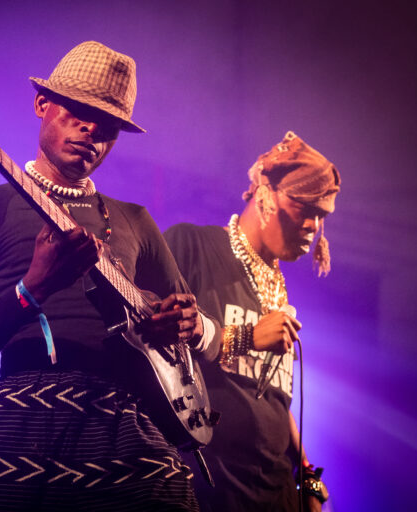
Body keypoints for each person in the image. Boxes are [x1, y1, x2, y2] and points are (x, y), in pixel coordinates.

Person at [0, 41, 220, 511]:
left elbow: (191, 334)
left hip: (134, 437)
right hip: (19, 436)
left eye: (110, 126)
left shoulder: (136, 220)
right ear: (41, 104)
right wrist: (33, 290)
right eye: (79, 112)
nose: (92, 130)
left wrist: (189, 324)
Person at [164, 131, 339, 511]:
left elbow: (276, 400)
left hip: (277, 497)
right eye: (305, 208)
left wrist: (307, 476)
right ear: (265, 193)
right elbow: (152, 342)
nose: (313, 225)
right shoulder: (191, 246)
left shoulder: (277, 288)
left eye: (321, 215)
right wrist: (244, 337)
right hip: (210, 493)